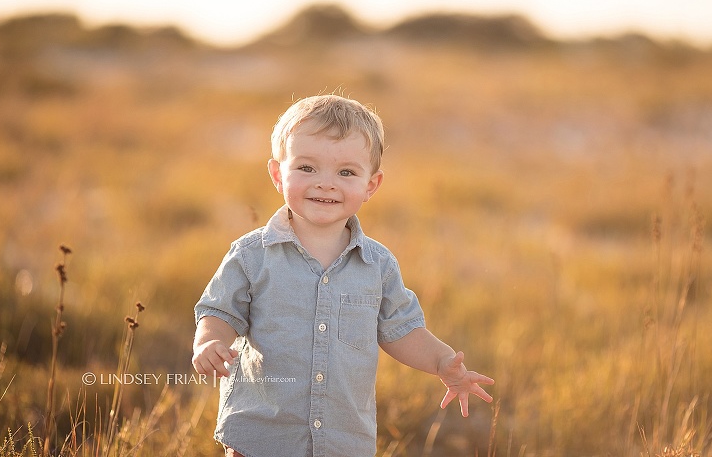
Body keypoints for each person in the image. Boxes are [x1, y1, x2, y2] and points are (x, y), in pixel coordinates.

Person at [192, 94, 494, 457]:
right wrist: (209, 342)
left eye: (346, 172)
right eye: (307, 168)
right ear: (277, 174)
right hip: (261, 435)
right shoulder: (252, 255)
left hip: (342, 438)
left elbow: (402, 329)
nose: (326, 183)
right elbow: (220, 310)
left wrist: (444, 362)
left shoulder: (378, 265)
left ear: (371, 185)